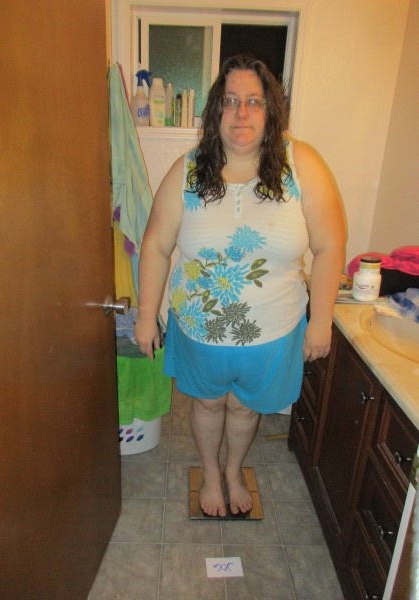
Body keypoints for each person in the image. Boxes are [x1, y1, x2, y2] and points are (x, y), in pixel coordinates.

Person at [135, 54, 346, 518]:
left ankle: (233, 472)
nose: (242, 112)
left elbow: (330, 245)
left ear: (271, 110)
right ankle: (211, 475)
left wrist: (322, 319)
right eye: (231, 101)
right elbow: (155, 245)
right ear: (216, 110)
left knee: (246, 409)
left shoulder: (301, 164)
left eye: (254, 101)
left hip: (273, 333)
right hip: (200, 331)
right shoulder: (189, 170)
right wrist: (147, 315)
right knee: (209, 405)